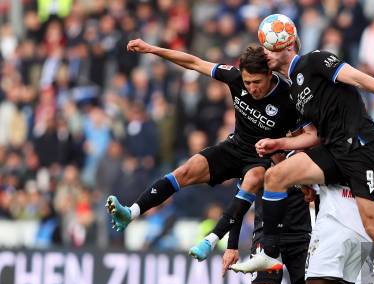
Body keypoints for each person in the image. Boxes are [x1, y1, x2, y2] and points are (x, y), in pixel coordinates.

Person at [232, 15, 374, 284]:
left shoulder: (314, 61)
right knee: (276, 176)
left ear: (288, 45)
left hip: (362, 150)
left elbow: (354, 75)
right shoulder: (294, 93)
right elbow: (313, 137)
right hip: (334, 153)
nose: (266, 56)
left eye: (270, 49)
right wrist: (281, 144)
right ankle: (269, 251)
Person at [105, 40, 310, 260]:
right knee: (185, 170)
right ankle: (131, 212)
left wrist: (299, 175)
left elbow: (302, 139)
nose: (251, 88)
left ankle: (210, 241)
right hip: (234, 147)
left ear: (270, 74)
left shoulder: (288, 97)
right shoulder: (234, 77)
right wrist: (152, 49)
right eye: (247, 82)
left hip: (263, 157)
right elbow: (194, 62)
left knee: (254, 178)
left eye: (257, 82)